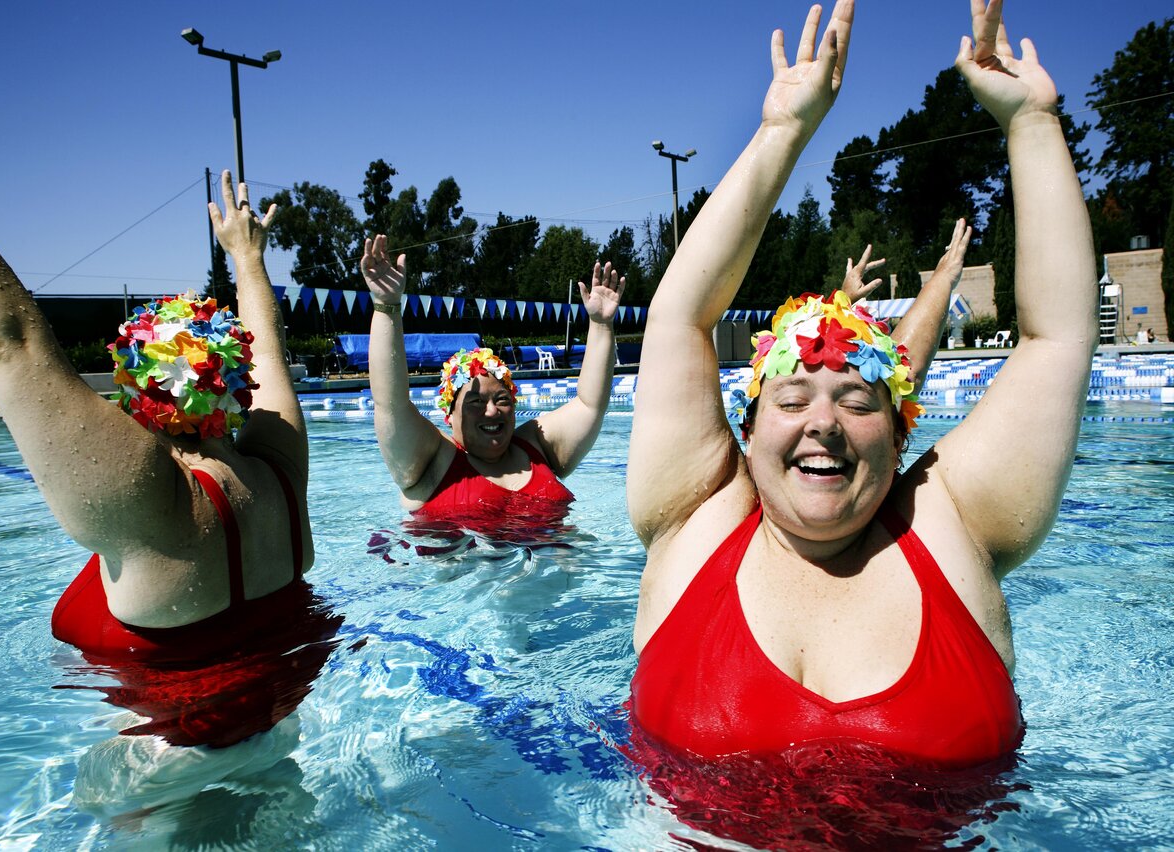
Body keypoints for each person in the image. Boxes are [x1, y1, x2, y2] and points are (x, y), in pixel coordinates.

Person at [628, 0, 1092, 796]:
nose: (822, 423)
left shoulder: (957, 529)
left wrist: (1033, 127)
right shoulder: (693, 520)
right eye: (793, 396)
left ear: (901, 430)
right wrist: (782, 134)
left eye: (856, 400)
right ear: (746, 430)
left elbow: (1057, 339)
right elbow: (679, 315)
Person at [0, 77, 338, 747]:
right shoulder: (280, 469)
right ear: (235, 380)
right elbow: (274, 363)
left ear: (135, 395)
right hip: (284, 730)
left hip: (168, 774)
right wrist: (247, 259)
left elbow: (13, 348)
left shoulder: (149, 496)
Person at [361, 233, 624, 532]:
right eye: (475, 402)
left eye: (502, 400)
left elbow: (590, 404)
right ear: (451, 414)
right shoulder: (431, 461)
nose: (492, 411)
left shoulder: (537, 446)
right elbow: (391, 404)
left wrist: (601, 325)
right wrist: (386, 307)